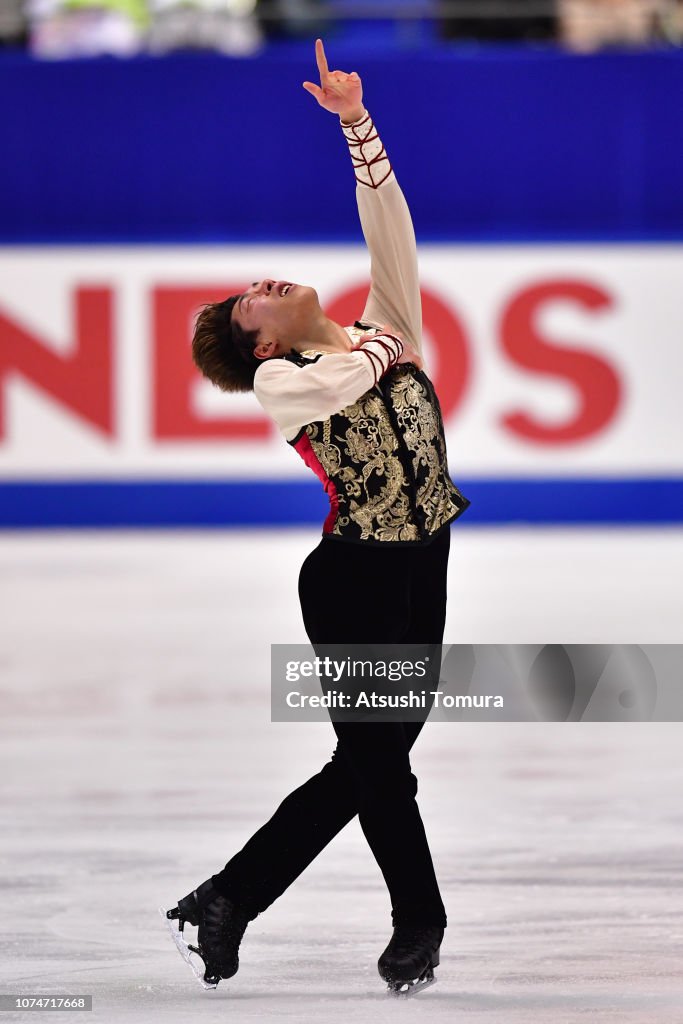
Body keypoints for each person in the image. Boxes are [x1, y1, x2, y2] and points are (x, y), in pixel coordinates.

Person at [164, 38, 471, 996]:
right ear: (256, 339)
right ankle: (410, 923)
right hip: (354, 578)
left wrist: (357, 126)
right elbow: (346, 372)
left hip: (427, 560)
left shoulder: (384, 324)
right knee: (379, 758)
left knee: (377, 757)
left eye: (258, 284)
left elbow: (393, 234)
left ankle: (233, 896)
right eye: (251, 300)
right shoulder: (282, 380)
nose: (265, 285)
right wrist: (387, 345)